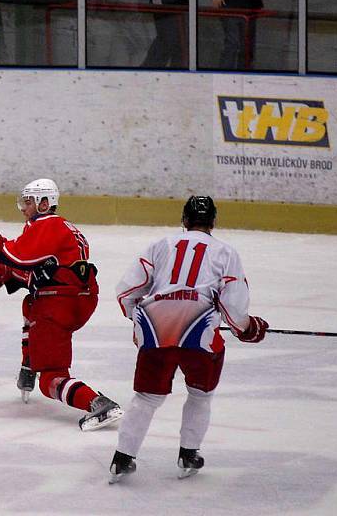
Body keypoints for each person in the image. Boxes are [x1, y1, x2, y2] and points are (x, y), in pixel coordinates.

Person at [108, 196, 268, 482]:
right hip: (200, 329)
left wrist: (139, 321)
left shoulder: (160, 245)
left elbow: (126, 292)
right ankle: (189, 453)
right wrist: (247, 328)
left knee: (146, 397)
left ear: (184, 220)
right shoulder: (226, 252)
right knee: (200, 394)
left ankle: (122, 459)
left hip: (156, 325)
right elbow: (233, 307)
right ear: (213, 222)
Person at [0, 178, 123, 431]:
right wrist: (2, 273)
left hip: (58, 302)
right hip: (74, 297)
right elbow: (41, 269)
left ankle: (98, 403)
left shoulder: (49, 224)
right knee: (30, 304)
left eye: (29, 202)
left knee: (51, 377)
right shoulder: (63, 227)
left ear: (45, 203)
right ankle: (29, 365)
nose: (24, 208)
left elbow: (21, 255)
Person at [203, 0, 271, 69]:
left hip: (249, 6)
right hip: (229, 6)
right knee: (232, 44)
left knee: (246, 46)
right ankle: (225, 75)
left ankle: (245, 74)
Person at [141, 0, 189, 68]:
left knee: (182, 44)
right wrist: (157, 1)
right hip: (164, 0)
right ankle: (147, 74)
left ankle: (177, 76)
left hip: (186, 0)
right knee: (168, 40)